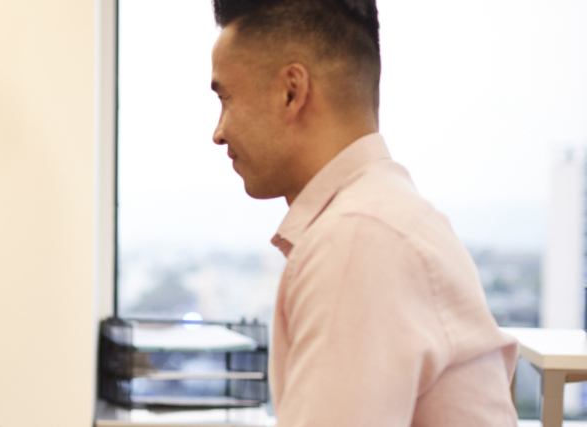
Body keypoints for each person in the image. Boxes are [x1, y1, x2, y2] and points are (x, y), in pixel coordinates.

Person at [208, 0, 518, 425]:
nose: (218, 132)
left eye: (226, 98)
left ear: (291, 91)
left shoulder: (358, 239)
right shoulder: (384, 217)